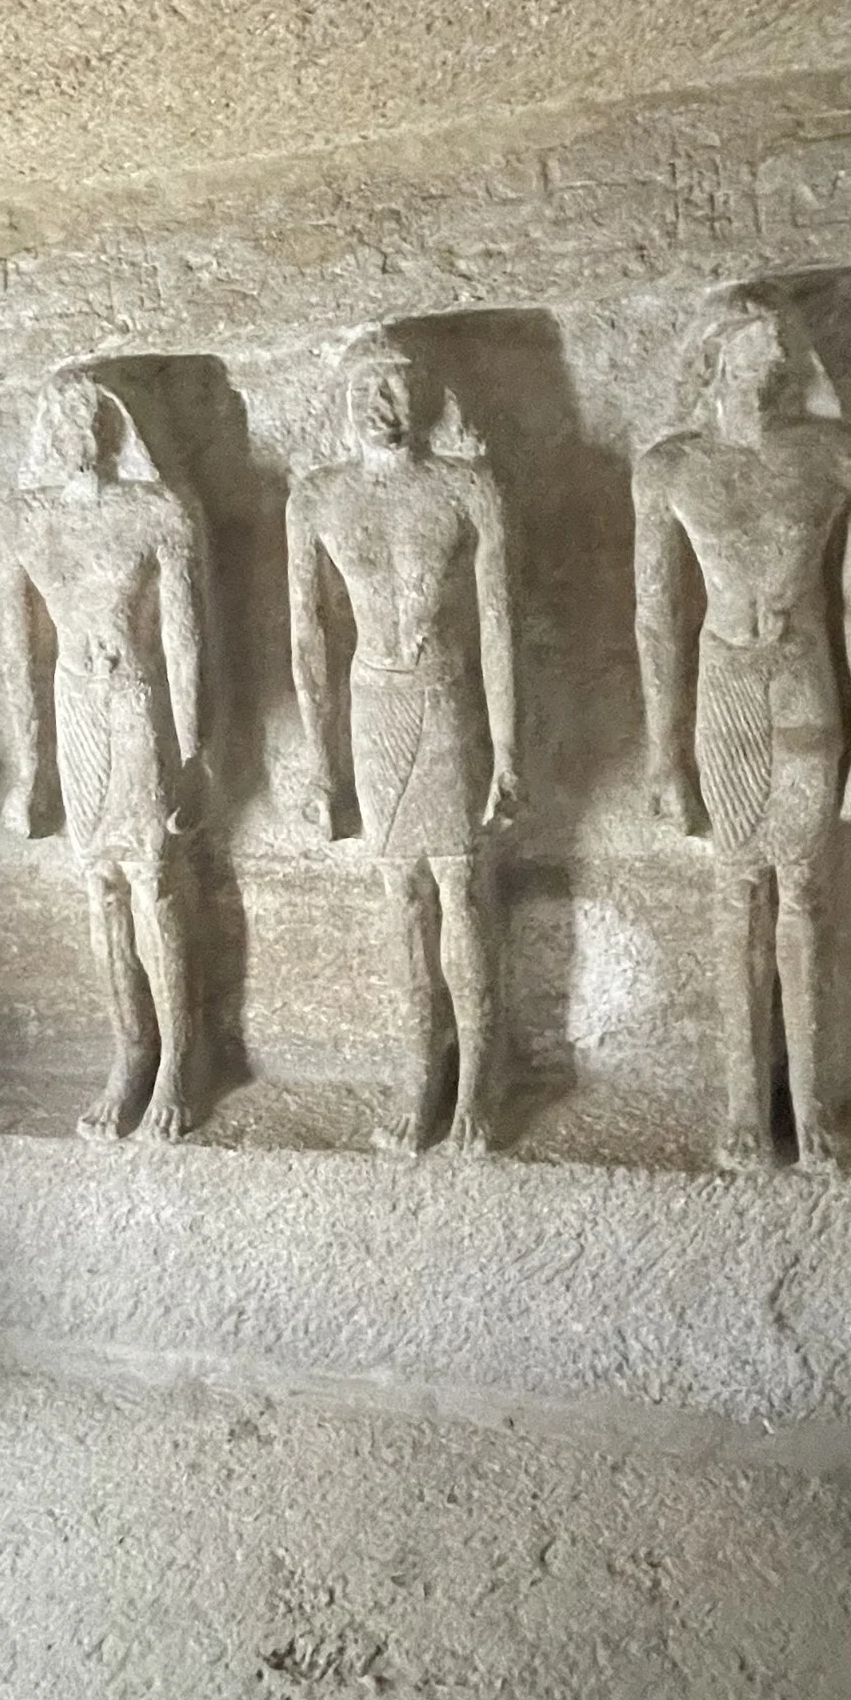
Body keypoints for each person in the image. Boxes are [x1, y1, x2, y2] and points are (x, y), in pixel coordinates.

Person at [634, 287, 851, 1167]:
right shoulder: (669, 467)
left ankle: (811, 1099)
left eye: (781, 346)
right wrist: (663, 754)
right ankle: (746, 1098)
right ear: (717, 353)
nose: (773, 357)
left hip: (805, 683)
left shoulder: (838, 456)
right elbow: (656, 616)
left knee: (805, 895)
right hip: (725, 688)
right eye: (755, 342)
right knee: (737, 894)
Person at [287, 333, 519, 1154]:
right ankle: (421, 1069)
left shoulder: (464, 488)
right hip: (373, 700)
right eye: (367, 395)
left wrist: (508, 747)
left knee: (459, 886)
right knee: (400, 896)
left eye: (396, 392)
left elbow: (497, 622)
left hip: (444, 694)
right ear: (346, 407)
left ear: (422, 403)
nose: (382, 410)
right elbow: (308, 634)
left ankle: (477, 1080)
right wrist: (320, 764)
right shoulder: (316, 497)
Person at [1, 371, 211, 1141]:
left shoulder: (157, 511)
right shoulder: (26, 519)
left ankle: (182, 1057)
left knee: (154, 879)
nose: (74, 440)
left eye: (87, 423)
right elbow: (18, 648)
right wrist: (29, 767)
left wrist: (194, 748)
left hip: (137, 704)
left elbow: (184, 637)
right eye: (57, 426)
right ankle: (129, 1050)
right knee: (99, 885)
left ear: (113, 430)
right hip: (75, 705)